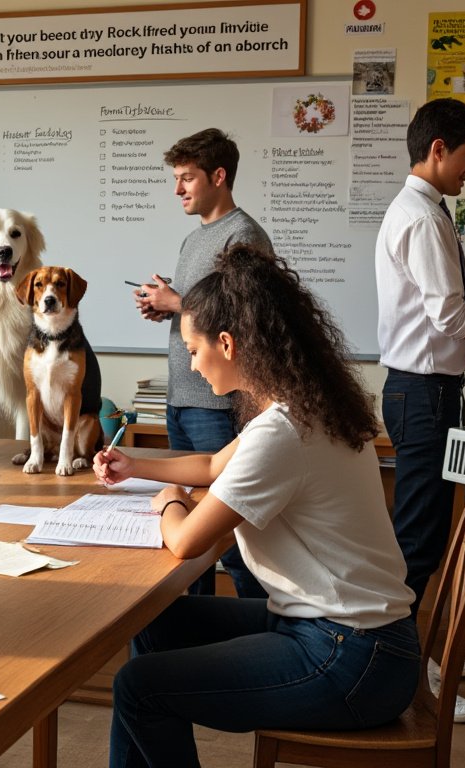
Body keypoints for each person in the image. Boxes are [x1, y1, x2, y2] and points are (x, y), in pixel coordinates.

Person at [103, 245, 417, 768]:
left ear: (226, 344)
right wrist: (135, 465)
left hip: (351, 657)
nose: (192, 364)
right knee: (156, 624)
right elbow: (209, 467)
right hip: (359, 638)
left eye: (192, 349)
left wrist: (169, 504)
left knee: (139, 687)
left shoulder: (282, 433)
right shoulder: (307, 406)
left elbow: (185, 540)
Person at [376, 98, 465, 722]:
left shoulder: (422, 210)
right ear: (438, 149)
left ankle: (416, 652)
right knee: (419, 538)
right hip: (421, 392)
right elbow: (452, 317)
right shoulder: (423, 218)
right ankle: (405, 674)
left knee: (426, 531)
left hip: (423, 391)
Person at [133, 127, 273, 599]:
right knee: (191, 536)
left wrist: (178, 303)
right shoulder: (196, 240)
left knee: (230, 539)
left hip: (218, 404)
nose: (178, 189)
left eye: (187, 177)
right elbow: (202, 312)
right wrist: (164, 307)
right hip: (182, 399)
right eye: (176, 177)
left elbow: (249, 317)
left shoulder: (244, 234)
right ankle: (194, 630)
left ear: (219, 175)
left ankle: (258, 623)